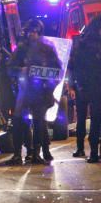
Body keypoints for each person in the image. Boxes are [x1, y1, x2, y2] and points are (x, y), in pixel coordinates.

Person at [9, 18, 62, 164]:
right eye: (29, 32)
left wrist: (45, 81)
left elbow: (57, 71)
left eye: (34, 32)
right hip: (25, 90)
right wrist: (21, 70)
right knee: (19, 121)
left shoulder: (47, 48)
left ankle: (38, 152)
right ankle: (17, 154)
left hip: (41, 91)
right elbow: (10, 68)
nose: (31, 35)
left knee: (39, 122)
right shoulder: (21, 48)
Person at [68, 15, 101, 162]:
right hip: (100, 87)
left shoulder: (81, 43)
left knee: (82, 118)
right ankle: (95, 151)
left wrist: (74, 85)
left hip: (83, 86)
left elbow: (73, 67)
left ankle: (82, 148)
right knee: (96, 120)